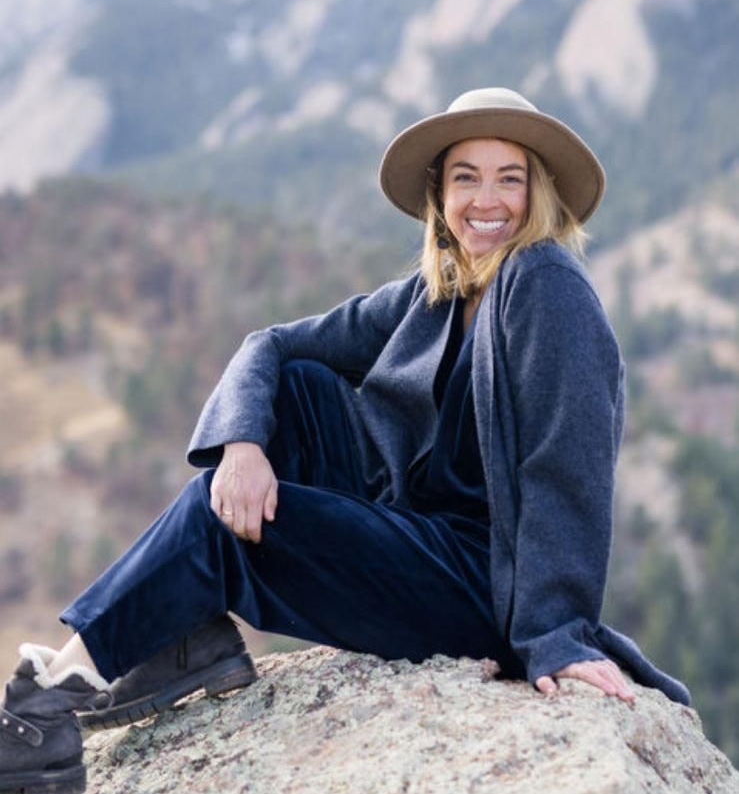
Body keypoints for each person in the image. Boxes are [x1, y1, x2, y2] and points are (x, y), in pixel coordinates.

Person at [0, 87, 689, 794]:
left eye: (509, 177)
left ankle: (47, 703)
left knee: (223, 518)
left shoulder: (545, 284)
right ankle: (181, 636)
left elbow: (565, 468)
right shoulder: (437, 294)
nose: (488, 199)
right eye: (465, 177)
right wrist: (240, 444)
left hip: (483, 585)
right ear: (439, 196)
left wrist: (555, 636)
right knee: (295, 386)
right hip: (416, 534)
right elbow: (267, 345)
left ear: (536, 193)